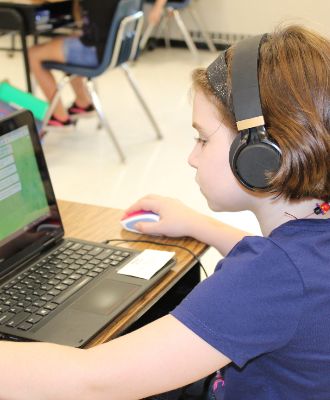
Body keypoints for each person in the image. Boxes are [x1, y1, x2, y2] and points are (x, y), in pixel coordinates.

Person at [1, 24, 329, 400]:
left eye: (203, 139)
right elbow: (296, 274)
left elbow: (93, 380)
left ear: (259, 156)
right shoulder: (310, 235)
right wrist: (198, 225)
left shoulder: (271, 277)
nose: (192, 157)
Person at [28, 0, 167, 130]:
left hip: (96, 52)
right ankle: (82, 104)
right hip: (118, 49)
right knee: (69, 39)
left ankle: (59, 117)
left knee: (33, 54)